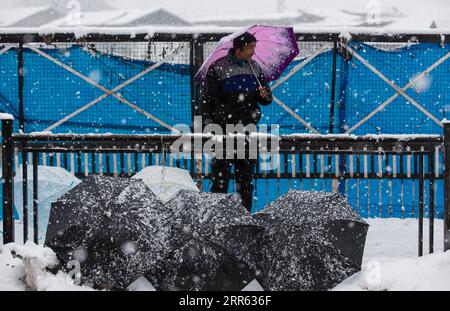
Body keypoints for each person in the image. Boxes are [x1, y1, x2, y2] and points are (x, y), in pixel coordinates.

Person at [200, 32, 273, 212]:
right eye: (250, 47)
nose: (253, 52)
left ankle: (244, 219)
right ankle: (216, 219)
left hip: (247, 131)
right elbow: (207, 101)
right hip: (223, 132)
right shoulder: (218, 68)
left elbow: (266, 99)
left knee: (245, 183)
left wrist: (266, 95)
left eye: (254, 47)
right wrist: (209, 128)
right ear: (239, 48)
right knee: (220, 182)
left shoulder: (255, 68)